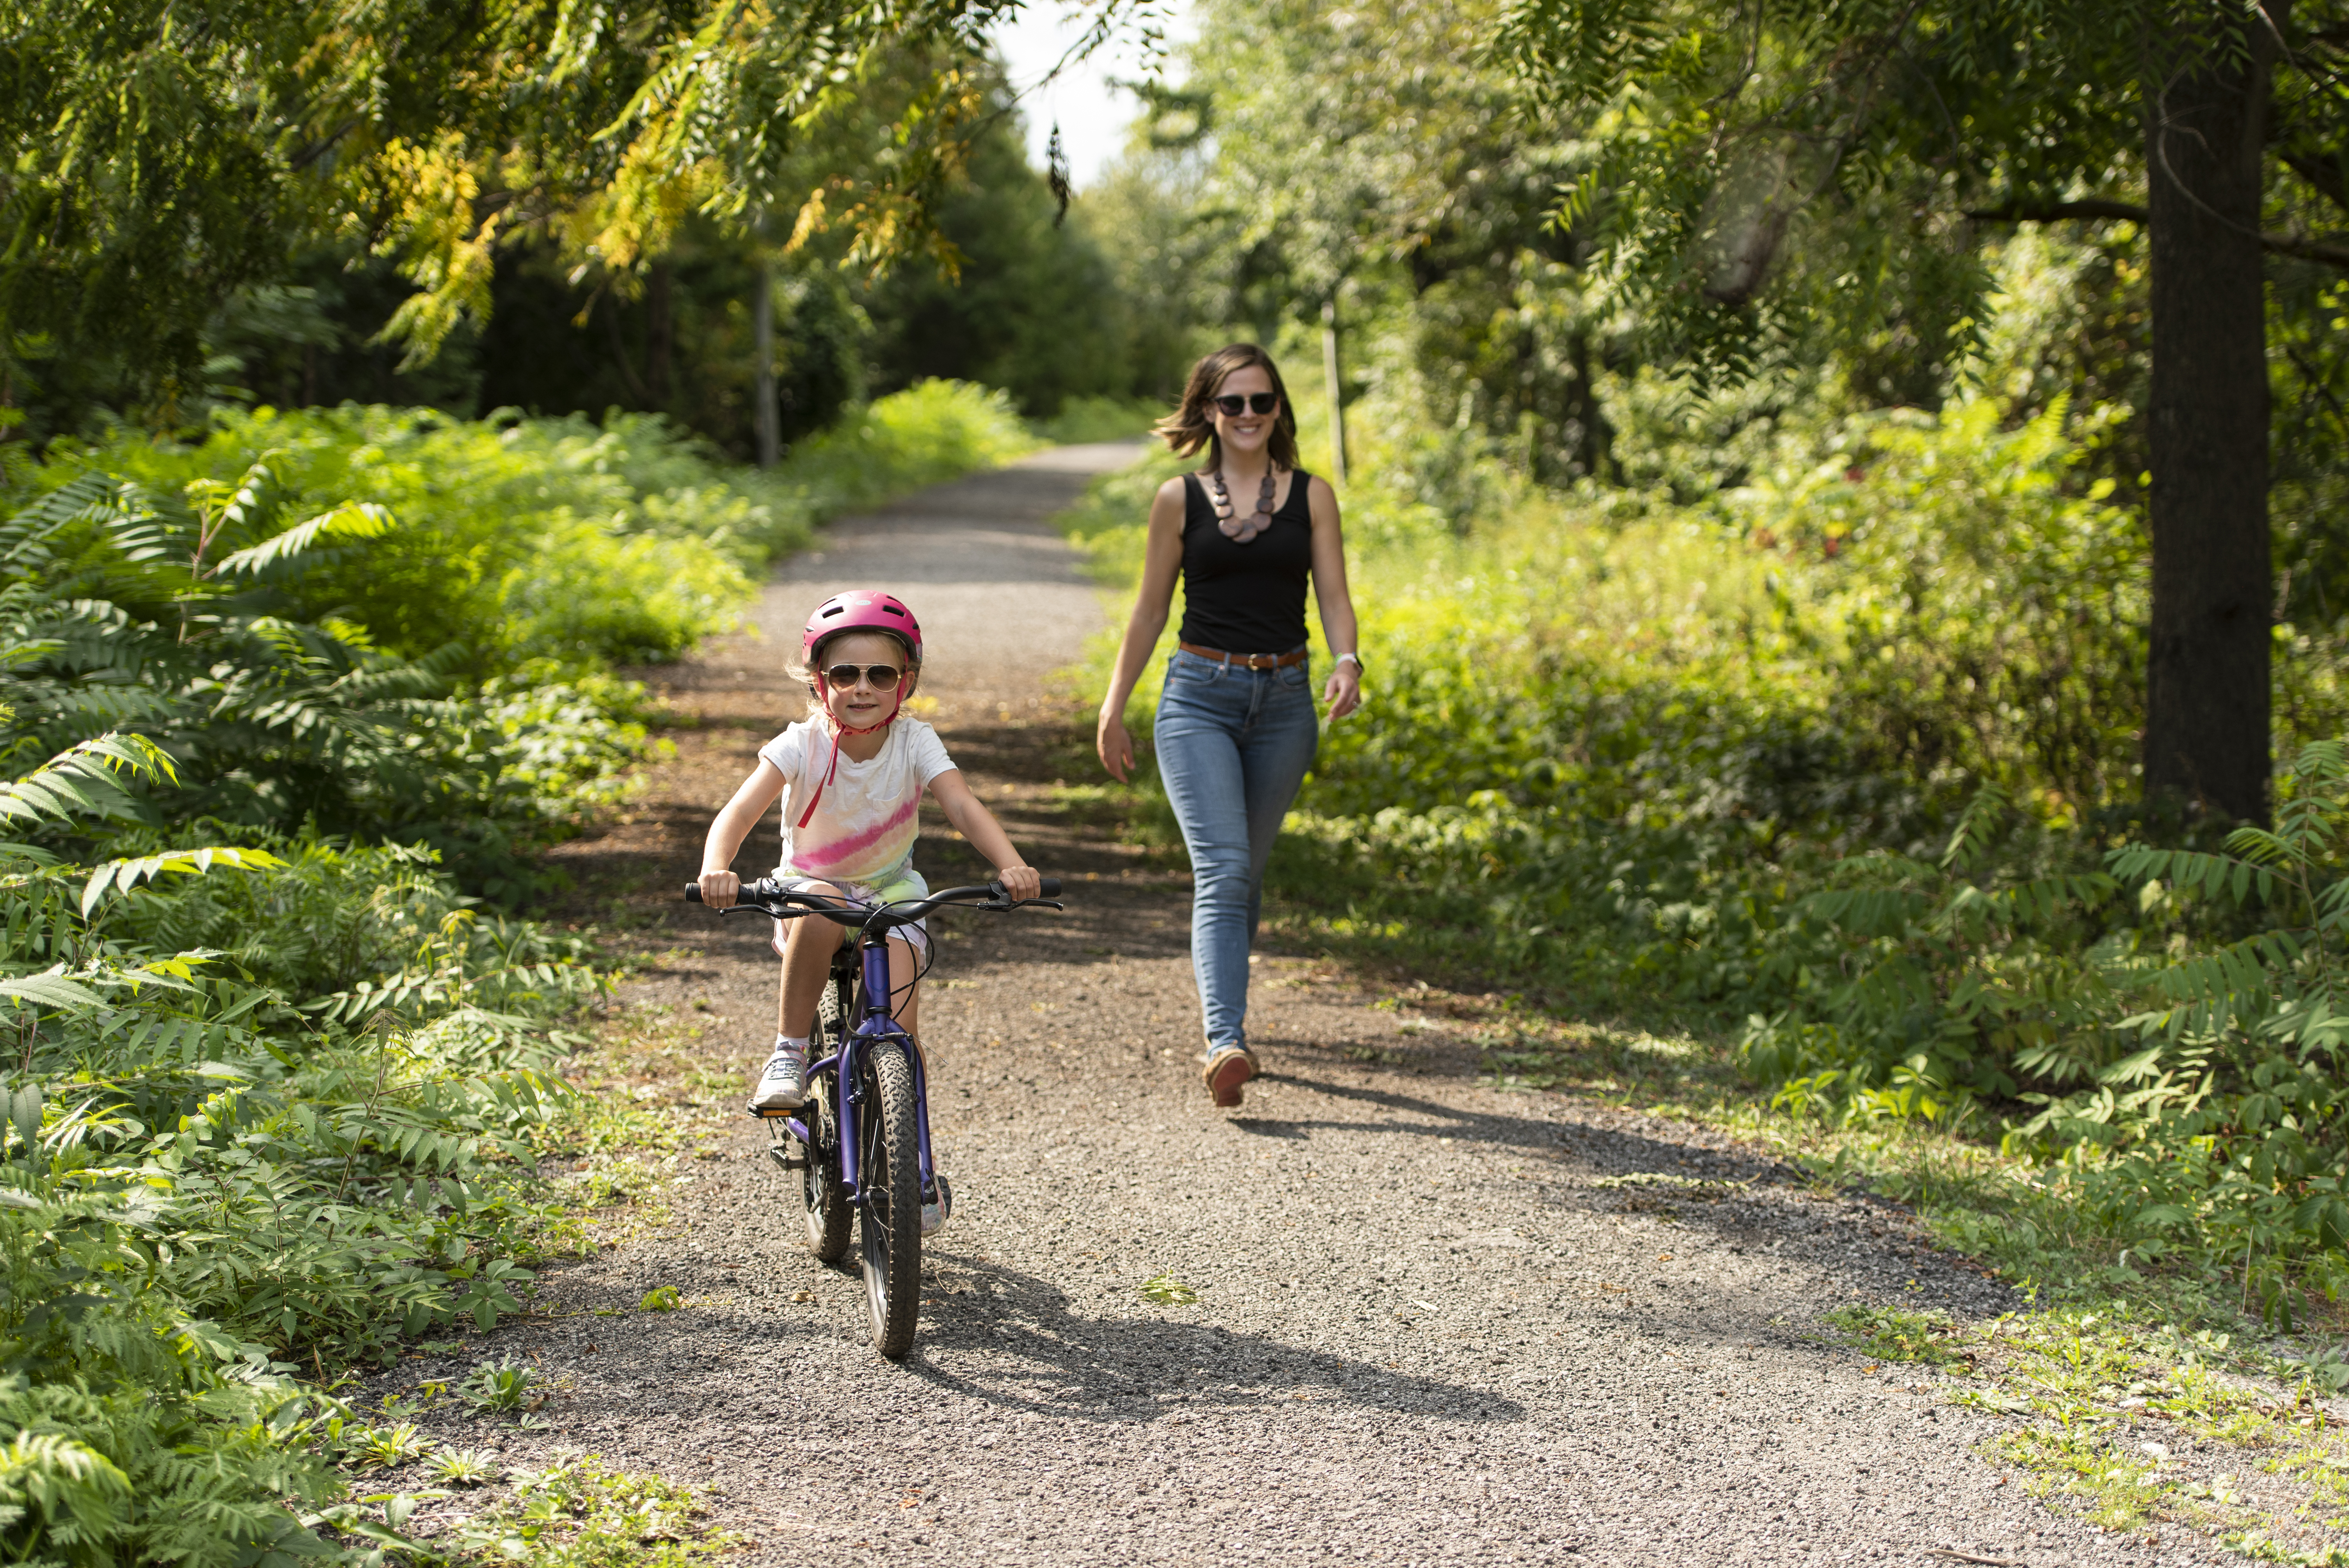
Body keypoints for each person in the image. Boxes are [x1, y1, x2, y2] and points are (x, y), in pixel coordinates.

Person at [1096, 344, 1364, 1108]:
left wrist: (1347, 659)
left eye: (1261, 401)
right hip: (1196, 698)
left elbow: (1334, 593)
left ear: (1278, 409)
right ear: (1207, 412)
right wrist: (1115, 704)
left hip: (1284, 702)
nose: (1247, 416)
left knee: (1245, 871)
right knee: (1221, 870)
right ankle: (1224, 1040)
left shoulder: (1312, 496)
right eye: (1232, 403)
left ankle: (1225, 1020)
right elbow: (1149, 608)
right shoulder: (1176, 499)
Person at [697, 590, 1043, 1140]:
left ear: (905, 682)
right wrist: (717, 867)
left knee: (901, 1039)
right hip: (811, 891)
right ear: (818, 680)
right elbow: (739, 811)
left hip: (892, 892)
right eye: (845, 674)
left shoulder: (915, 741)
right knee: (824, 903)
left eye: (881, 675)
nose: (863, 688)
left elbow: (962, 805)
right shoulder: (800, 743)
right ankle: (788, 1054)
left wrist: (1012, 865)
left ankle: (915, 1160)